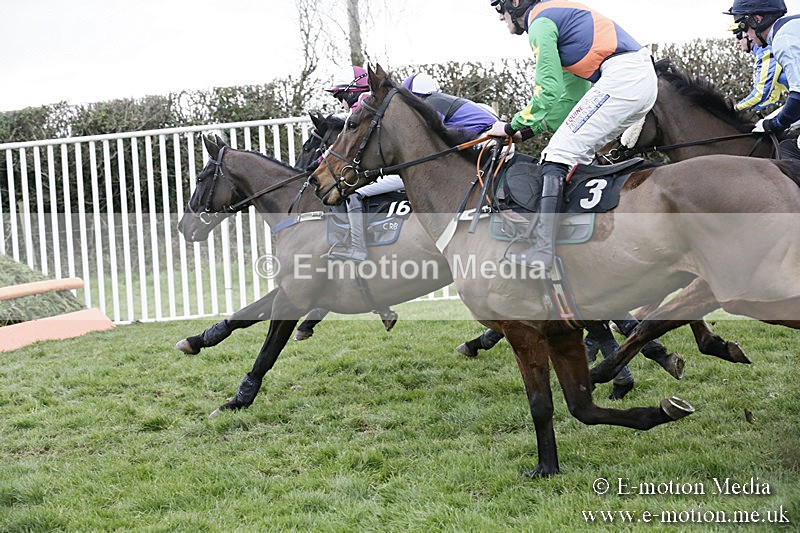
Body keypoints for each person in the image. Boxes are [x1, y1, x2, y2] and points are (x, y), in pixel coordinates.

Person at [485, 0, 657, 268]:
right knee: (573, 151)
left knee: (557, 154)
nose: (500, 18)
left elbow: (548, 91)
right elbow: (568, 99)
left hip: (623, 78)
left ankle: (543, 250)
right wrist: (527, 132)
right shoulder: (556, 19)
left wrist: (511, 126)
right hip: (635, 79)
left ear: (515, 3)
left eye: (499, 9)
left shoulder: (540, 24)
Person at [323, 65, 405, 260]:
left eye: (339, 97)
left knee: (353, 191)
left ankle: (358, 248)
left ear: (352, 92)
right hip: (394, 169)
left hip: (398, 172)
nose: (340, 104)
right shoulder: (369, 107)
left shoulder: (362, 108)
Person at [726, 0, 800, 160]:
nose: (744, 35)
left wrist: (775, 123)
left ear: (757, 19)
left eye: (743, 27)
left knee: (790, 151)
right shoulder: (791, 27)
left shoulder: (783, 41)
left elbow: (798, 96)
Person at [730, 21, 788, 112]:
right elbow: (773, 97)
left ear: (748, 34)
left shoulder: (767, 51)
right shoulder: (766, 51)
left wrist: (734, 109)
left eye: (738, 36)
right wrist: (750, 109)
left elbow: (760, 94)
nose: (737, 42)